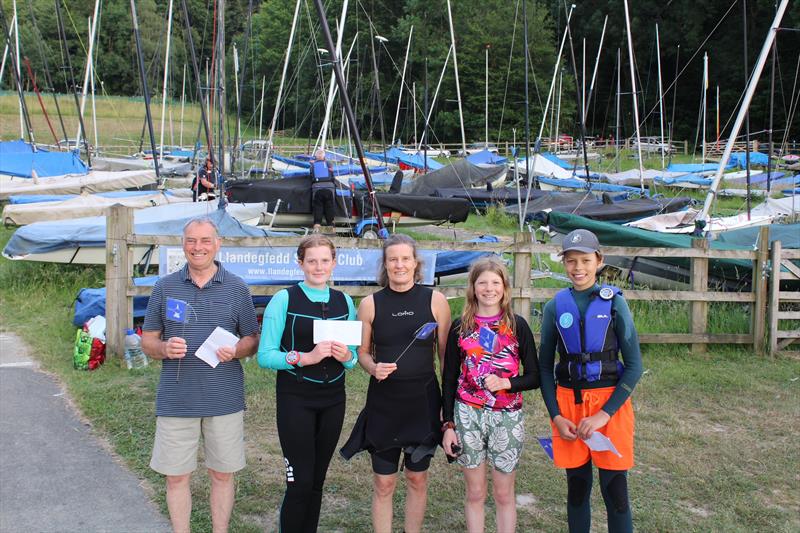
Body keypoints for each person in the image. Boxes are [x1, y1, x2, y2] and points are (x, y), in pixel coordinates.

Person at [141, 216, 260, 533]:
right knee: (177, 476)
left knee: (222, 474)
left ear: (217, 244)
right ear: (183, 244)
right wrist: (164, 349)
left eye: (205, 240)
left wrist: (237, 350)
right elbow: (147, 340)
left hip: (224, 399)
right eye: (192, 240)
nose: (198, 247)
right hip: (177, 399)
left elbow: (252, 338)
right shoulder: (164, 287)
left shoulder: (237, 288)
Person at [341, 234, 451, 533]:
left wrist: (448, 410)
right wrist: (373, 367)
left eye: (405, 259)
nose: (399, 265)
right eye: (393, 259)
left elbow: (446, 359)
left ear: (416, 263)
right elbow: (361, 353)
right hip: (384, 404)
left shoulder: (436, 301)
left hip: (423, 402)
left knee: (417, 478)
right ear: (385, 264)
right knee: (384, 482)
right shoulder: (369, 304)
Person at [538, 229, 643, 533]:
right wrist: (556, 417)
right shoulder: (555, 307)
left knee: (616, 494)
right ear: (564, 264)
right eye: (571, 261)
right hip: (569, 407)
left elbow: (635, 366)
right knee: (577, 490)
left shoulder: (614, 304)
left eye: (585, 260)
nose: (578, 268)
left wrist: (603, 415)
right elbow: (545, 368)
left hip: (610, 408)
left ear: (599, 261)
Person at [256, 234, 359, 532]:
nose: (318, 267)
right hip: (295, 398)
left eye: (324, 261)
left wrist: (345, 356)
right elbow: (265, 356)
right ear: (300, 263)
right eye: (311, 261)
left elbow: (352, 359)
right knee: (299, 483)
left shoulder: (344, 301)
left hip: (333, 399)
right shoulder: (284, 299)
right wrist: (303, 357)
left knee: (316, 482)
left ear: (334, 264)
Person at [441, 257, 540, 533]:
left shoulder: (517, 325)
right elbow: (449, 378)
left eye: (495, 282)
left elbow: (534, 376)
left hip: (506, 418)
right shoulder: (461, 327)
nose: (489, 288)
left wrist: (507, 383)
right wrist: (448, 423)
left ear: (505, 287)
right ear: (472, 288)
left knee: (504, 494)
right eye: (482, 282)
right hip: (467, 415)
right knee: (475, 493)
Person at [310, 149, 336, 232]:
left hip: (317, 188)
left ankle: (317, 225)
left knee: (318, 207)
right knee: (330, 206)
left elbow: (311, 176)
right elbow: (333, 175)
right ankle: (331, 225)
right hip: (329, 188)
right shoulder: (329, 163)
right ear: (324, 156)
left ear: (316, 156)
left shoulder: (313, 165)